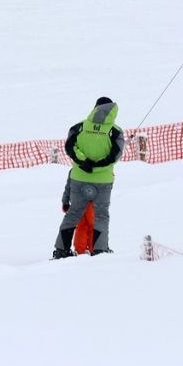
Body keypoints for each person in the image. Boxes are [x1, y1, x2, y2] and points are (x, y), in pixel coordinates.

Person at [52, 97, 125, 259]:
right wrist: (98, 165)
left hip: (79, 178)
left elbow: (69, 147)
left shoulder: (79, 127)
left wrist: (84, 162)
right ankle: (100, 250)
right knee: (101, 215)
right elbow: (115, 156)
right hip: (103, 181)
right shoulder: (116, 131)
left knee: (73, 214)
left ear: (95, 108)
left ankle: (61, 250)